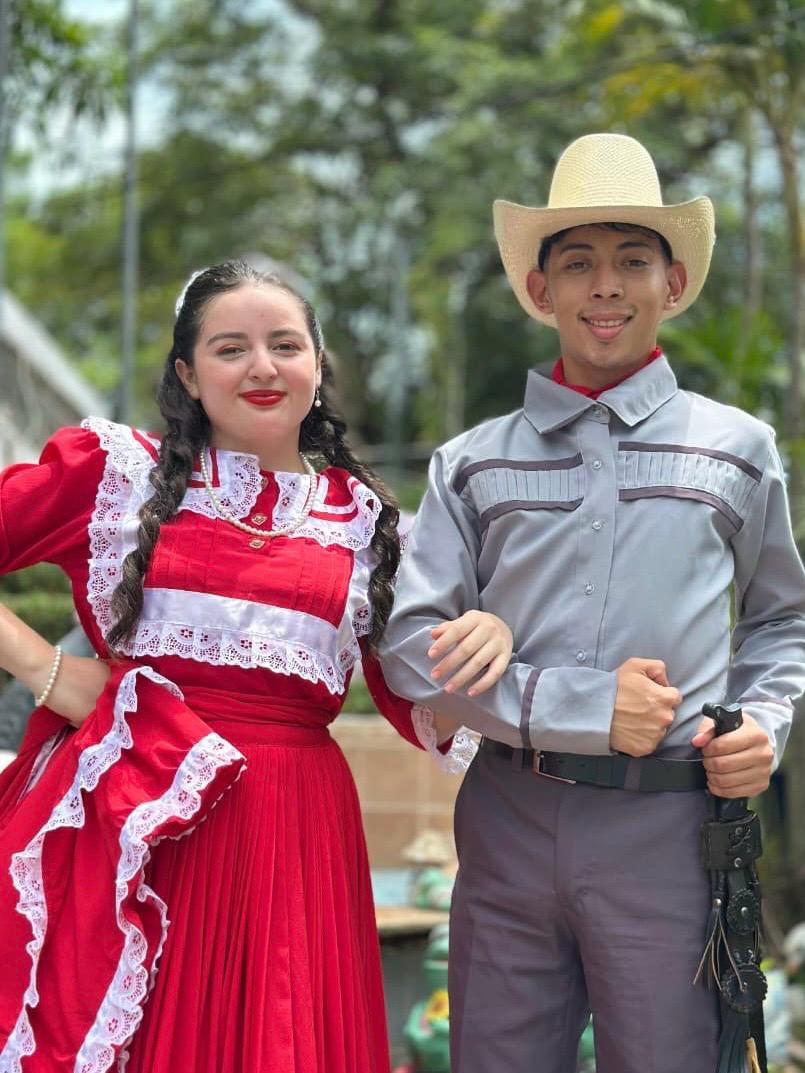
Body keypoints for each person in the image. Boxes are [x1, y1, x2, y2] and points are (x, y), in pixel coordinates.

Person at [0, 260, 514, 1073]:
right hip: (139, 809)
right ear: (187, 373)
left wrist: (487, 636)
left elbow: (421, 705)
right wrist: (50, 672)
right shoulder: (116, 476)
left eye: (284, 344)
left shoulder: (371, 527)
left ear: (317, 365)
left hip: (294, 828)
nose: (262, 367)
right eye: (229, 347)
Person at [379, 132, 805, 1073]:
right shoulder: (470, 463)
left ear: (674, 282)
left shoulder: (735, 450)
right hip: (506, 818)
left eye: (630, 261)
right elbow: (408, 648)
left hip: (670, 827)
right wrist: (575, 704)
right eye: (576, 263)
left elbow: (781, 619)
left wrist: (765, 723)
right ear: (541, 292)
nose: (603, 286)